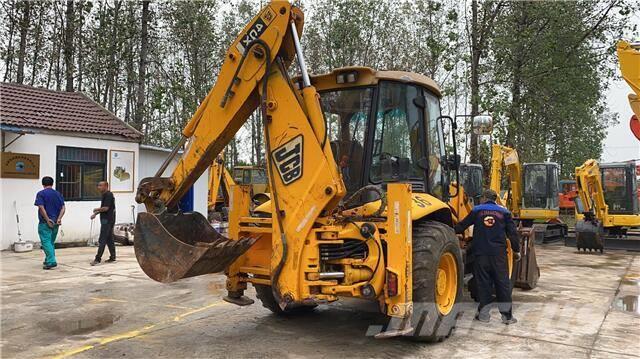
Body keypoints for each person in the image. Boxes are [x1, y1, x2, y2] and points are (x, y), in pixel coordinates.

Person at [455, 189, 520, 325]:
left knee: (484, 284)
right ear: (495, 199)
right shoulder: (505, 212)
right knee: (502, 284)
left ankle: (484, 315)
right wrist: (516, 250)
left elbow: (462, 226)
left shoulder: (477, 210)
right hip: (499, 256)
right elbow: (513, 234)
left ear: (484, 198)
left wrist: (451, 229)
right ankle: (507, 317)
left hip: (481, 254)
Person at [34, 176, 65, 270]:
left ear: (43, 184)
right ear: (52, 183)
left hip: (45, 223)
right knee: (50, 242)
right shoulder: (58, 194)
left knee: (46, 242)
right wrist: (59, 219)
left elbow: (41, 207)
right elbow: (63, 208)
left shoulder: (41, 194)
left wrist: (47, 219)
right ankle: (48, 259)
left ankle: (51, 261)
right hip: (55, 222)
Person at [90, 181, 116, 265]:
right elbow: (104, 208)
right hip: (107, 219)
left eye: (101, 185)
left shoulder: (108, 195)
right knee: (109, 239)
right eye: (98, 185)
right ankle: (113, 257)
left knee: (102, 239)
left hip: (107, 220)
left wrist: (96, 209)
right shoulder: (105, 195)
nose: (99, 187)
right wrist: (95, 214)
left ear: (106, 186)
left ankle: (97, 259)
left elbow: (106, 208)